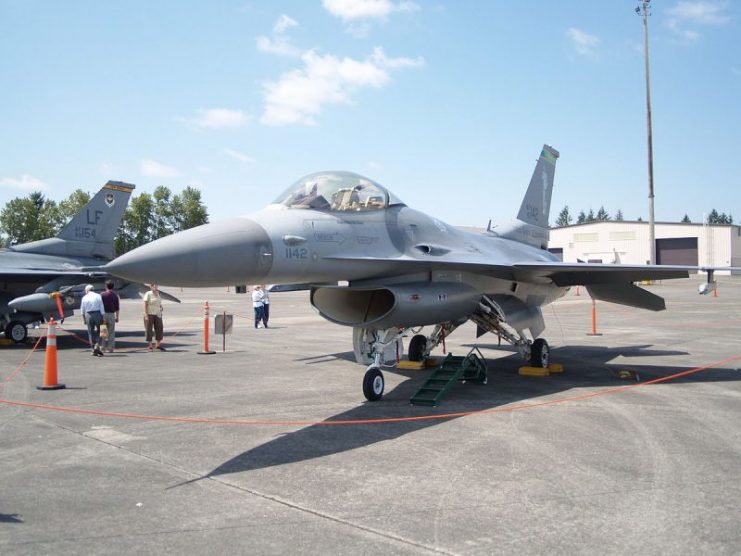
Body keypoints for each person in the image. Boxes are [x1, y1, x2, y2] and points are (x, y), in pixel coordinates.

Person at [80, 284, 105, 356]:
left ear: (87, 290)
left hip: (88, 315)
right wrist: (103, 316)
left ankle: (93, 349)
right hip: (98, 314)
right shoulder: (98, 296)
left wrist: (84, 319)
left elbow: (82, 309)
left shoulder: (84, 297)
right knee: (102, 330)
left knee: (90, 332)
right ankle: (97, 345)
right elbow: (101, 306)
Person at [143, 284, 165, 351]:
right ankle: (150, 346)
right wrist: (146, 314)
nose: (156, 287)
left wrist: (161, 307)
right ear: (151, 287)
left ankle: (158, 345)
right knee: (149, 329)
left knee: (160, 328)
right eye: (154, 286)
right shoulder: (148, 294)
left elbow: (159, 302)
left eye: (156, 286)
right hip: (150, 313)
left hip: (158, 314)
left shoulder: (158, 293)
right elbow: (145, 304)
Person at [100, 280, 120, 353]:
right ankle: (110, 348)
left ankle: (103, 347)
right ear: (113, 287)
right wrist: (117, 317)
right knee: (111, 332)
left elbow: (100, 306)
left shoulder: (102, 295)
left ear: (106, 286)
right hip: (112, 315)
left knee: (103, 332)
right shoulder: (115, 296)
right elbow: (117, 308)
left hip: (103, 314)